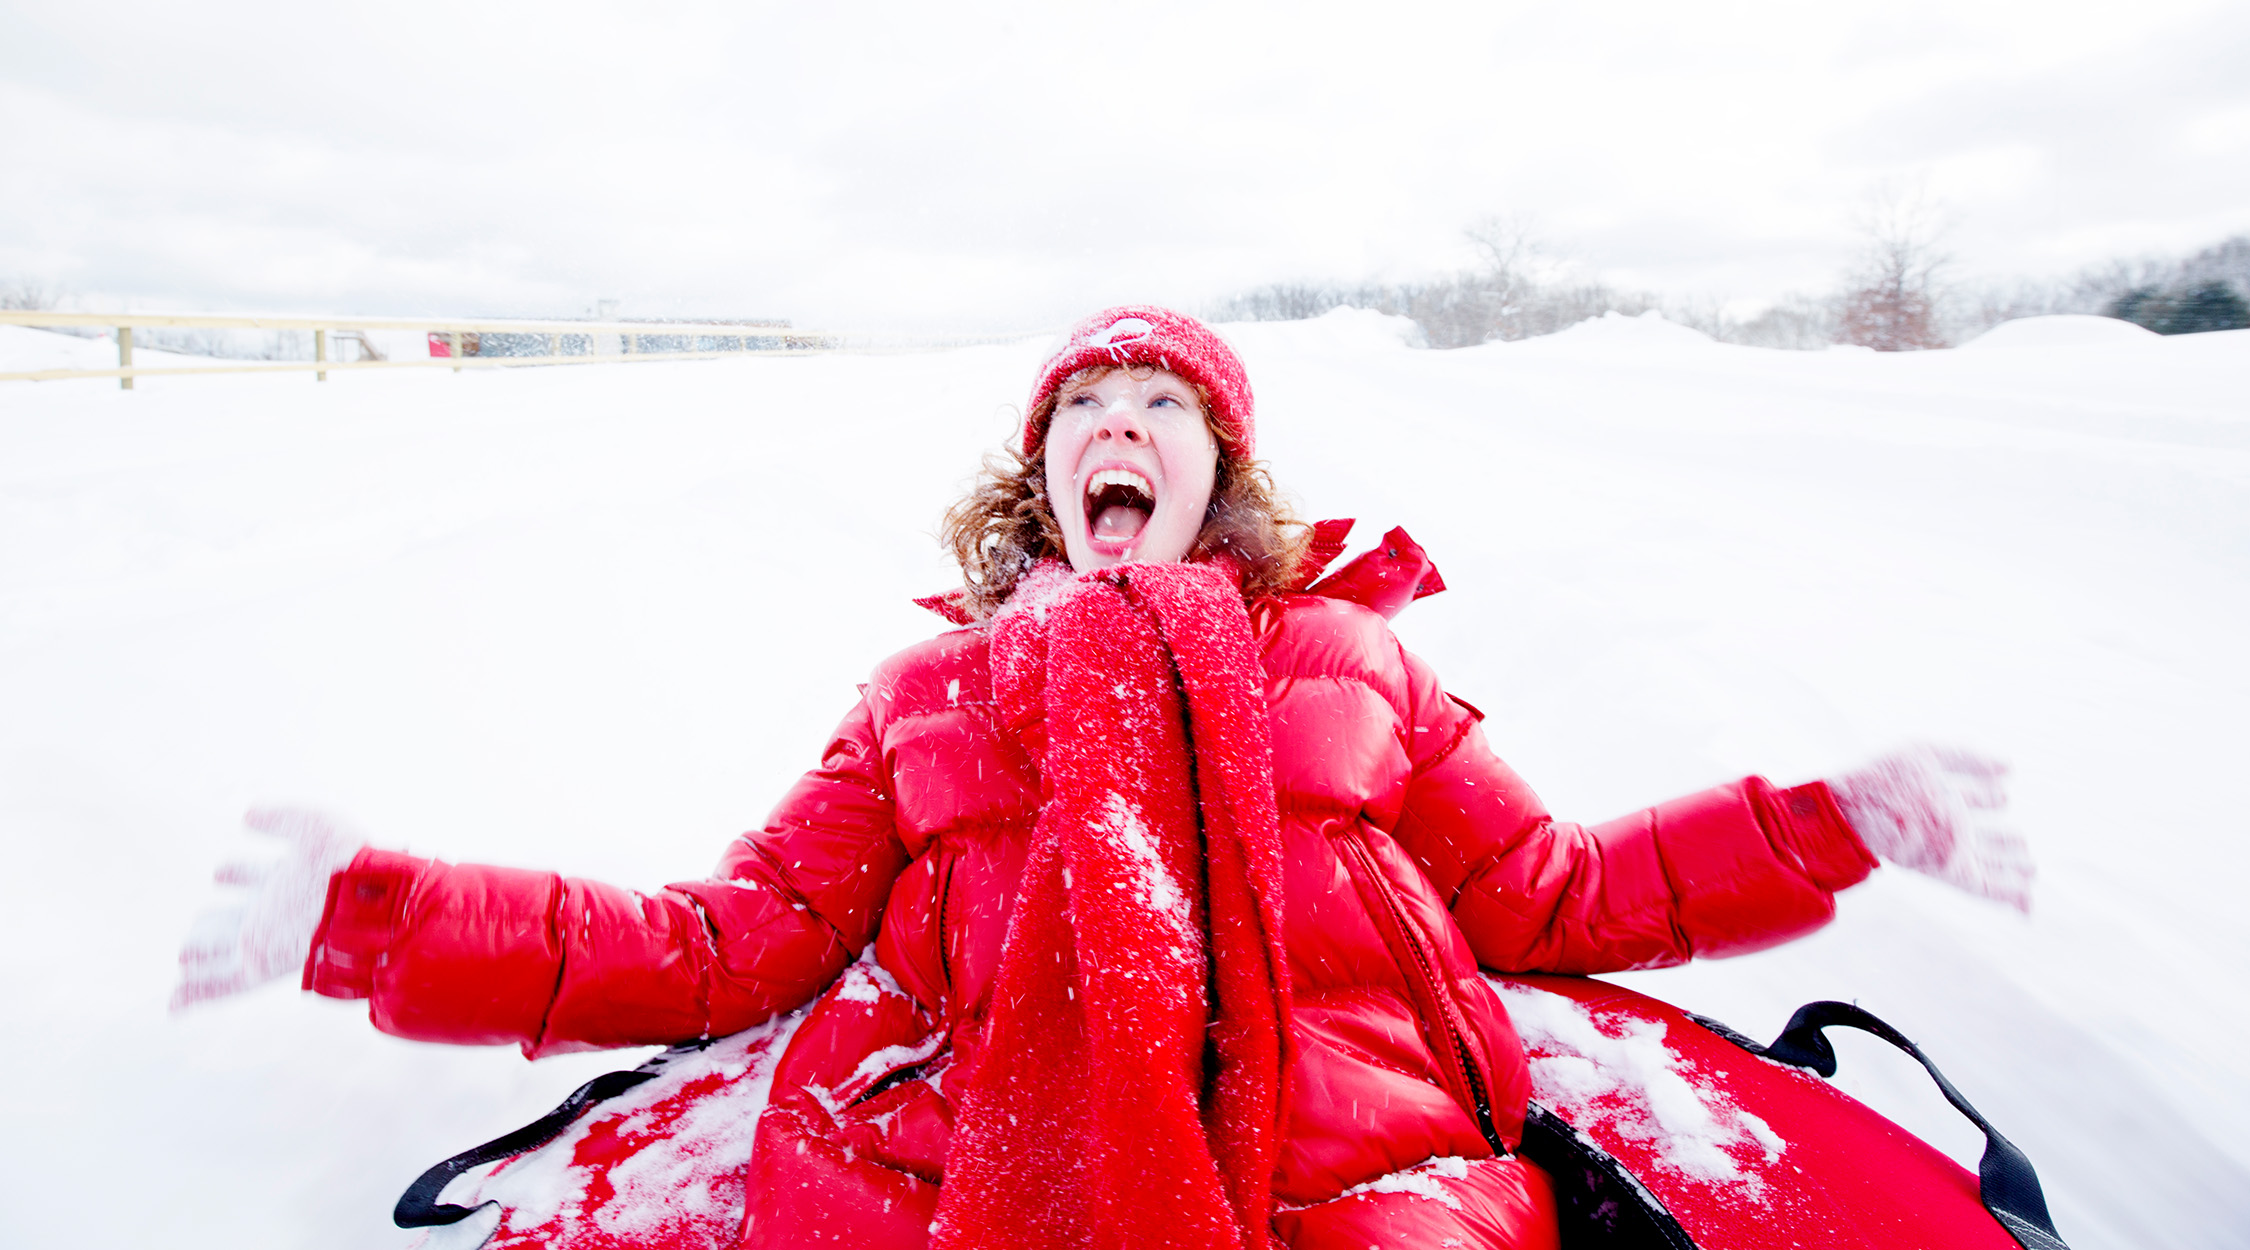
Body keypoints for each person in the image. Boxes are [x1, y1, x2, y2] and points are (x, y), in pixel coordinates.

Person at [174, 306, 2033, 1250]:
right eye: (1080, 407)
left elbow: (1548, 895)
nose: (1113, 425)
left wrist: (1828, 820)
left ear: (1218, 478)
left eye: (1160, 409)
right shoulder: (927, 692)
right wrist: (380, 912)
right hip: (975, 1173)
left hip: (1366, 1175)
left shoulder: (1352, 657)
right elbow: (724, 941)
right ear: (1040, 477)